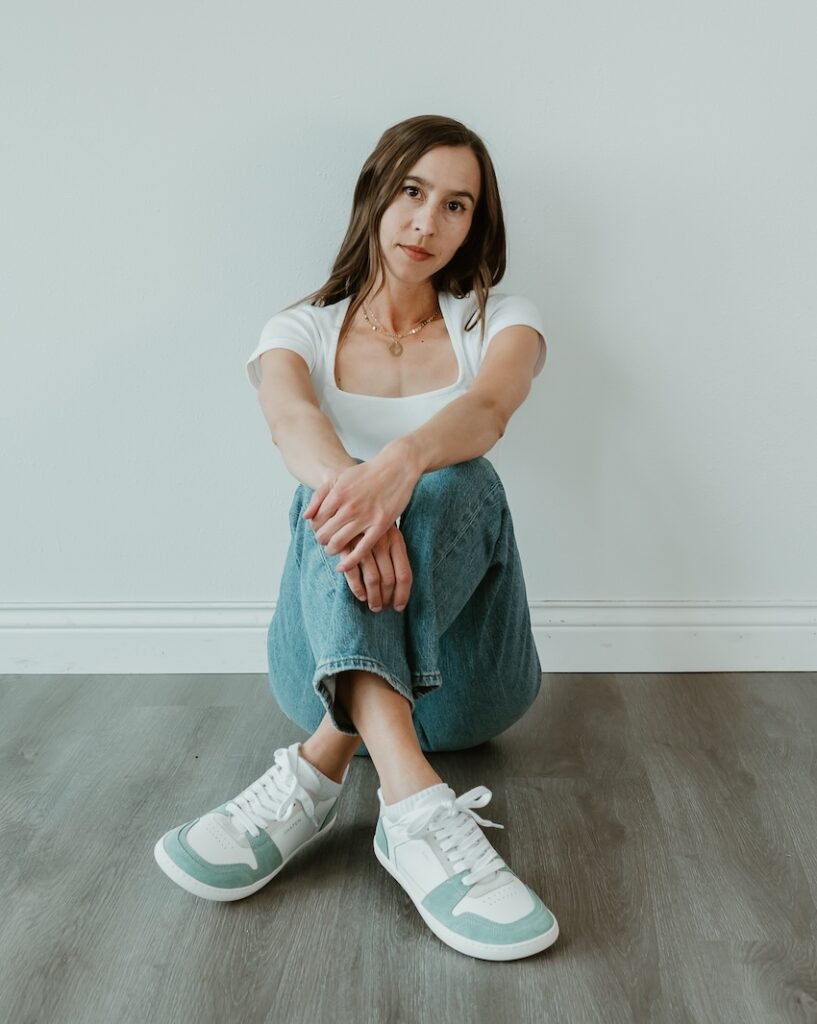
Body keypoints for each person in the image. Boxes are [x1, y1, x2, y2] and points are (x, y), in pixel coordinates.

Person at [153, 114, 559, 962]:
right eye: (411, 192)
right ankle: (413, 810)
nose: (426, 222)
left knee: (462, 480)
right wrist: (358, 495)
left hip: (474, 688)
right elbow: (291, 421)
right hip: (313, 668)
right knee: (320, 498)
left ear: (474, 224)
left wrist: (399, 469)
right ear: (375, 193)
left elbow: (487, 411)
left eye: (455, 205)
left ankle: (312, 775)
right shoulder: (296, 330)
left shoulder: (501, 318)